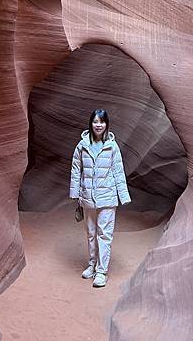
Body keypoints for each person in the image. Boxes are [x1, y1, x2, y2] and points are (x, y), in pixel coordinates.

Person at [69, 108, 131, 288]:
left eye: (102, 122)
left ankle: (101, 272)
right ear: (91, 123)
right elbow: (76, 170)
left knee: (104, 234)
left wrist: (123, 195)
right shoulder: (82, 145)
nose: (98, 125)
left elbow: (118, 171)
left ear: (106, 124)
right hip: (88, 196)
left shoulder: (112, 146)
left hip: (108, 197)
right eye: (96, 121)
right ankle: (92, 265)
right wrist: (75, 194)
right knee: (90, 234)